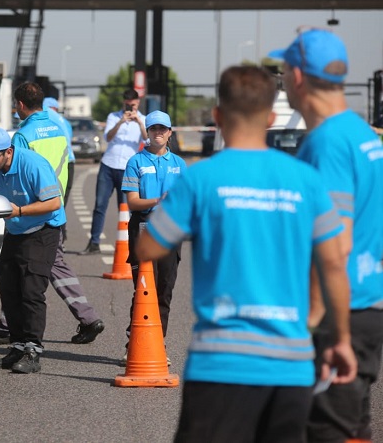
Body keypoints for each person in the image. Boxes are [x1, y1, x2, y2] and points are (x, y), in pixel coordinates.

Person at [135, 66, 357, 441]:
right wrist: (338, 338)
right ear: (271, 117)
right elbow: (334, 263)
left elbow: (149, 246)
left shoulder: (201, 177)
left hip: (219, 364)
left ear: (218, 117)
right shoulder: (306, 181)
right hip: (291, 364)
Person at [269, 28, 383, 442]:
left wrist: (315, 324)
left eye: (283, 70)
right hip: (365, 306)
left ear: (297, 76)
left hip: (339, 316)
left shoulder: (326, 143)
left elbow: (334, 246)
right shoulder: (361, 133)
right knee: (351, 430)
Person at [10, 82, 105, 344]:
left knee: (22, 269)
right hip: (54, 204)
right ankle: (86, 317)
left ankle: (86, 318)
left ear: (19, 104)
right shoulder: (58, 128)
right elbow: (65, 166)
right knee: (48, 265)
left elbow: (19, 177)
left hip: (32, 212)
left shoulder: (23, 136)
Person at [0, 126, 64, 374]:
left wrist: (20, 211)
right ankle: (18, 345)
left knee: (31, 289)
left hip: (43, 229)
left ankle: (33, 350)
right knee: (9, 287)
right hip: (16, 230)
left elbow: (54, 203)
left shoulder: (33, 165)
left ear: (8, 152)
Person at [121, 110, 187, 364]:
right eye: (153, 128)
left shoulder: (179, 164)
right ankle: (134, 342)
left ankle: (158, 343)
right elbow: (133, 202)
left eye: (163, 128)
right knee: (143, 289)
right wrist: (159, 201)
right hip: (144, 228)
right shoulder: (135, 162)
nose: (158, 132)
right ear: (147, 132)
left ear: (170, 132)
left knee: (165, 290)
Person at [78, 88, 147, 255]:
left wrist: (139, 122)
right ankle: (94, 243)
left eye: (133, 104)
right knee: (100, 205)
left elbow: (147, 139)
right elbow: (107, 137)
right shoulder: (113, 117)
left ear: (137, 103)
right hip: (108, 165)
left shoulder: (143, 120)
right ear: (123, 103)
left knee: (125, 208)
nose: (130, 108)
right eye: (127, 104)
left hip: (127, 169)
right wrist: (121, 122)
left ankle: (130, 245)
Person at [43, 96, 76, 244]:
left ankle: (56, 236)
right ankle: (62, 234)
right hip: (68, 161)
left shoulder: (44, 115)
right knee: (61, 200)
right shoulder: (64, 121)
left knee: (49, 199)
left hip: (54, 161)